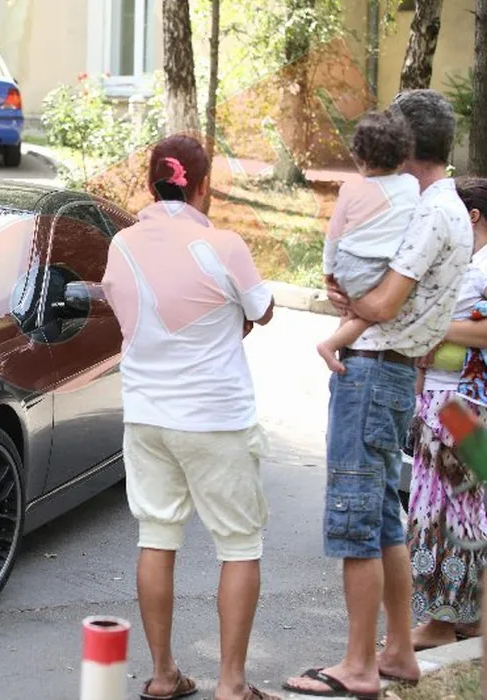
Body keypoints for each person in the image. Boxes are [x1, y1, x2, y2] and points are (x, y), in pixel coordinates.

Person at [283, 89, 473, 699]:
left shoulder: (431, 212)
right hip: (391, 370)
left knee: (356, 519)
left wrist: (346, 297)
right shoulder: (447, 208)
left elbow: (386, 302)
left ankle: (359, 664)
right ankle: (396, 652)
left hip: (372, 371)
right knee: (386, 519)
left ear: (409, 147)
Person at [100, 135, 277, 700]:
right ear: (203, 186)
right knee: (239, 544)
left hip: (146, 414)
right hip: (214, 416)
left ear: (151, 183)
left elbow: (131, 316)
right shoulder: (222, 244)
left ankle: (163, 674)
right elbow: (262, 311)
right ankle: (232, 683)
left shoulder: (122, 244)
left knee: (156, 536)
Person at [402, 178, 487, 651]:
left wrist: (434, 329)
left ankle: (441, 622)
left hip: (459, 403)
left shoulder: (483, 265)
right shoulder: (471, 264)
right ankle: (467, 618)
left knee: (443, 507)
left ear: (471, 216)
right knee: (463, 505)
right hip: (455, 399)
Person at [317, 111, 420, 373]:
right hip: (377, 266)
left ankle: (339, 351)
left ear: (358, 156)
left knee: (352, 311)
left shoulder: (350, 188)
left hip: (347, 264)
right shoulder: (411, 186)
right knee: (375, 311)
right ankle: (330, 345)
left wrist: (329, 272)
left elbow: (333, 235)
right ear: (403, 156)